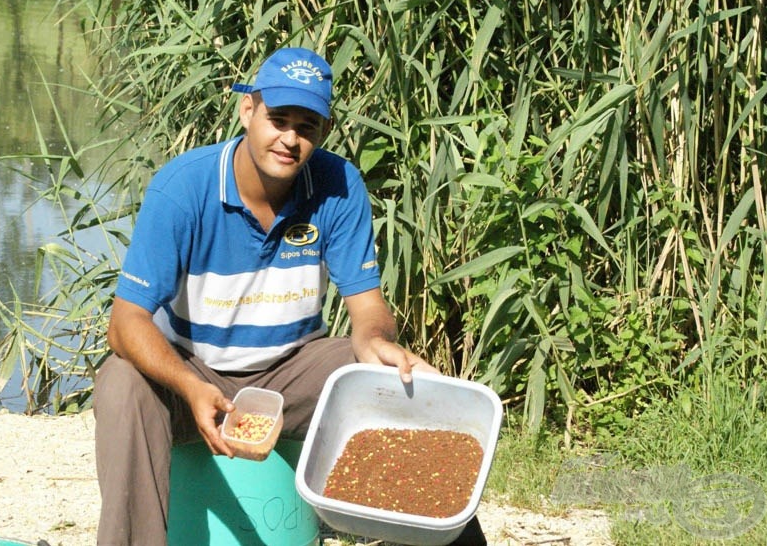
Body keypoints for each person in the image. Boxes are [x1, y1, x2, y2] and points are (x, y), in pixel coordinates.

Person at [92, 46, 485, 546]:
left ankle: (442, 534)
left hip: (291, 371)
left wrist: (377, 343)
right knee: (121, 380)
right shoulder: (182, 189)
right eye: (278, 119)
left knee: (393, 381)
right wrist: (191, 389)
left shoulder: (339, 184)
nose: (290, 139)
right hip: (192, 368)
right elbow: (125, 324)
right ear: (248, 111)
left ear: (323, 130)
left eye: (308, 126)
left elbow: (366, 308)